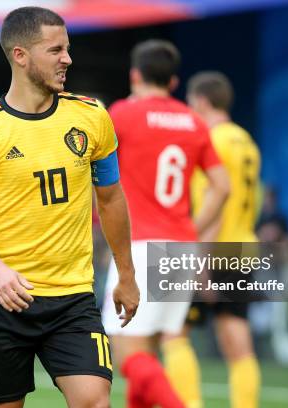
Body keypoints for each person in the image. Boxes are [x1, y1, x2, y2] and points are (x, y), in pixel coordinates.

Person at [0, 7, 139, 408]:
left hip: (72, 297)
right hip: (3, 298)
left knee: (94, 400)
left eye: (67, 49)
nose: (67, 59)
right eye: (55, 50)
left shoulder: (92, 117)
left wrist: (126, 274)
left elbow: (110, 197)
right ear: (20, 56)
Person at [101, 41, 230, 408]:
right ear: (174, 81)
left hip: (141, 247)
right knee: (152, 350)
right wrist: (192, 225)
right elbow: (222, 186)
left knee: (128, 355)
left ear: (135, 75)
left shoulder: (123, 114)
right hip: (182, 247)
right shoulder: (192, 121)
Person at [173, 71, 262, 408]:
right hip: (242, 248)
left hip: (211, 249)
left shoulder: (213, 139)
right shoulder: (246, 141)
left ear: (201, 101)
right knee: (238, 341)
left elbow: (217, 198)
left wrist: (200, 261)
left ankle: (190, 404)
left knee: (175, 335)